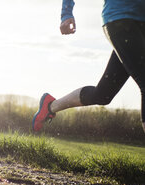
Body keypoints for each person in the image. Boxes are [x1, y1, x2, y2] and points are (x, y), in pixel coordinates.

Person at [32, 0, 145, 133]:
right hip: (121, 19)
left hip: (140, 25)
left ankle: (50, 106)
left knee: (103, 95)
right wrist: (66, 13)